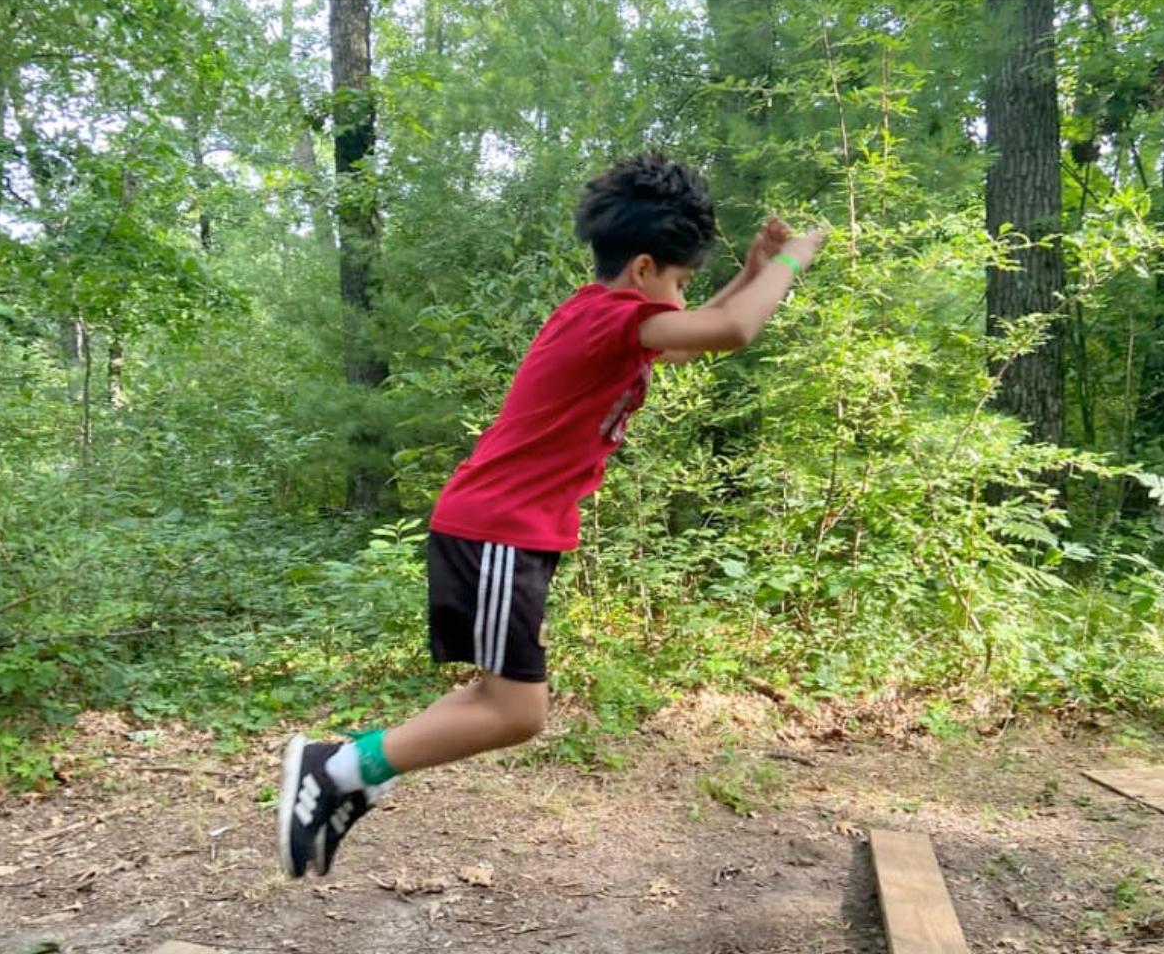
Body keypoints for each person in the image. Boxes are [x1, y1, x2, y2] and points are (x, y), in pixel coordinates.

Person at [278, 151, 826, 878]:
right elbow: (731, 331)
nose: (684, 300)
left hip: (505, 531)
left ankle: (352, 774)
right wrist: (790, 262)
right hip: (498, 528)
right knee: (517, 712)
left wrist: (752, 274)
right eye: (681, 282)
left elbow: (705, 328)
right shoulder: (612, 321)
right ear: (643, 269)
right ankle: (338, 769)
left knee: (495, 697)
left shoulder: (606, 316)